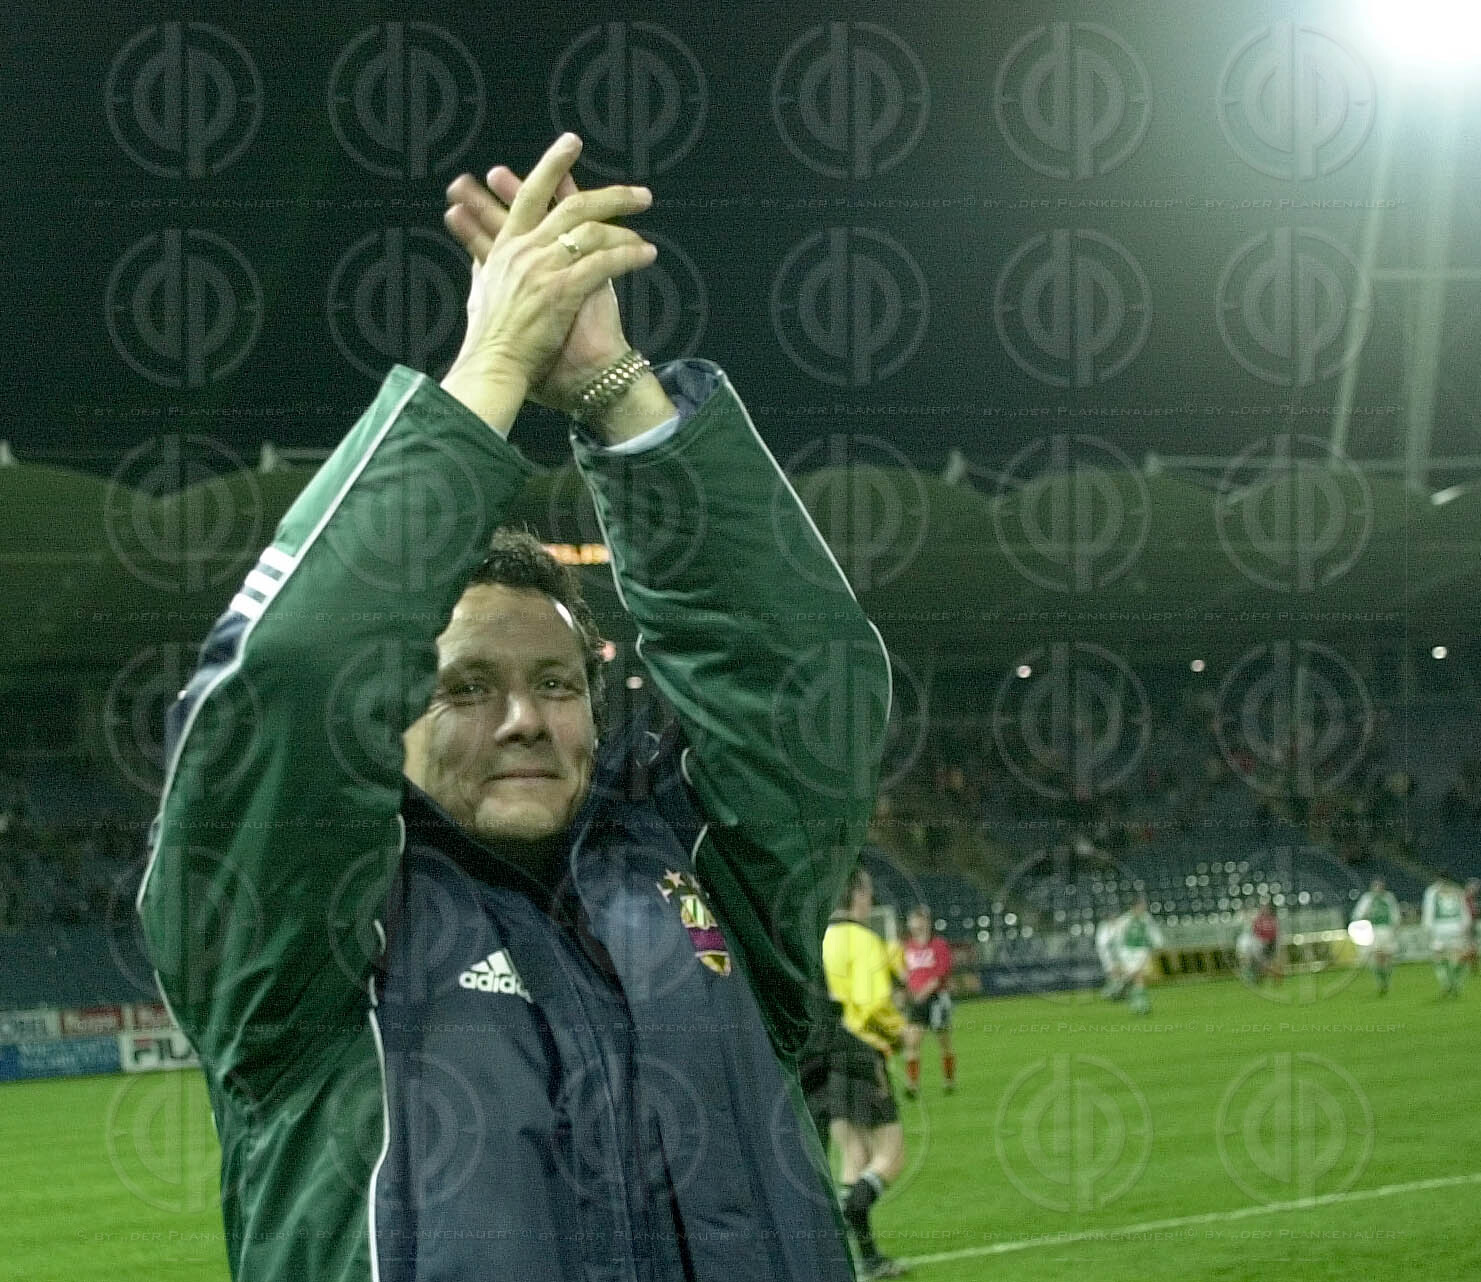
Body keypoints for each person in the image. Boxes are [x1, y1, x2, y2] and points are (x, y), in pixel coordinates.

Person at [136, 133, 891, 1282]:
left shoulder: (710, 882)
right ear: (385, 709)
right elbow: (289, 679)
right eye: (464, 686)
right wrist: (489, 369)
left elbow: (807, 683)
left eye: (555, 682)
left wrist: (616, 391)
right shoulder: (302, 943)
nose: (525, 719)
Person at [816, 867, 908, 1279]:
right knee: (892, 1153)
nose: (870, 901)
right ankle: (843, 1213)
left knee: (854, 1155)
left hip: (825, 1054)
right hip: (860, 1050)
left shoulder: (822, 940)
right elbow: (872, 1005)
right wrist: (899, 1031)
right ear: (856, 896)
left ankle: (865, 1259)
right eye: (867, 893)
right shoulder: (864, 940)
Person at [900, 905, 955, 1097]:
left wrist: (924, 991)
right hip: (916, 1000)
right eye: (914, 920)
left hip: (936, 999)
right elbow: (905, 972)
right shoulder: (907, 947)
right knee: (912, 1042)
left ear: (928, 923)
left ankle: (949, 1080)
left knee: (944, 1042)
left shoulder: (939, 945)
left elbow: (941, 972)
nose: (917, 924)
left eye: (920, 920)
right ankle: (912, 1085)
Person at [1109, 895, 1164, 1015]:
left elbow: (1154, 933)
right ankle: (1140, 1003)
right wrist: (1118, 956)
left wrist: (1157, 944)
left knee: (1138, 976)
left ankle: (1128, 993)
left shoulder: (1146, 919)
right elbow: (1116, 938)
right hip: (1128, 953)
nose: (1142, 909)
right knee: (1137, 976)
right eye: (1140, 906)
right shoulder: (1124, 920)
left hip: (1142, 952)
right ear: (1134, 907)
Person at [1421, 872, 1473, 998]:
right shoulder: (1457, 890)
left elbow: (1429, 910)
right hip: (1456, 928)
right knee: (1459, 957)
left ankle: (1447, 983)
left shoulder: (1432, 891)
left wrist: (1427, 928)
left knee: (1439, 958)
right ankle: (1455, 983)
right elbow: (1464, 911)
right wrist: (1466, 925)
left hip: (1439, 928)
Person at [1352, 877, 1401, 996]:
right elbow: (1358, 915)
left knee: (1388, 958)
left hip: (1387, 931)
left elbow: (1395, 914)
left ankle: (1386, 981)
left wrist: (1396, 928)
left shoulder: (1389, 898)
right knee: (1377, 957)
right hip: (1374, 930)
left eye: (1380, 886)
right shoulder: (1367, 898)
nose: (1378, 888)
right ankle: (1381, 982)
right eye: (1376, 886)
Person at [1234, 899, 1281, 988]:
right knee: (1250, 961)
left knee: (1263, 963)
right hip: (1253, 942)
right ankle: (1255, 978)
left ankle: (1273, 976)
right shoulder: (1247, 917)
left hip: (1262, 943)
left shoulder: (1262, 918)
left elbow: (1264, 931)